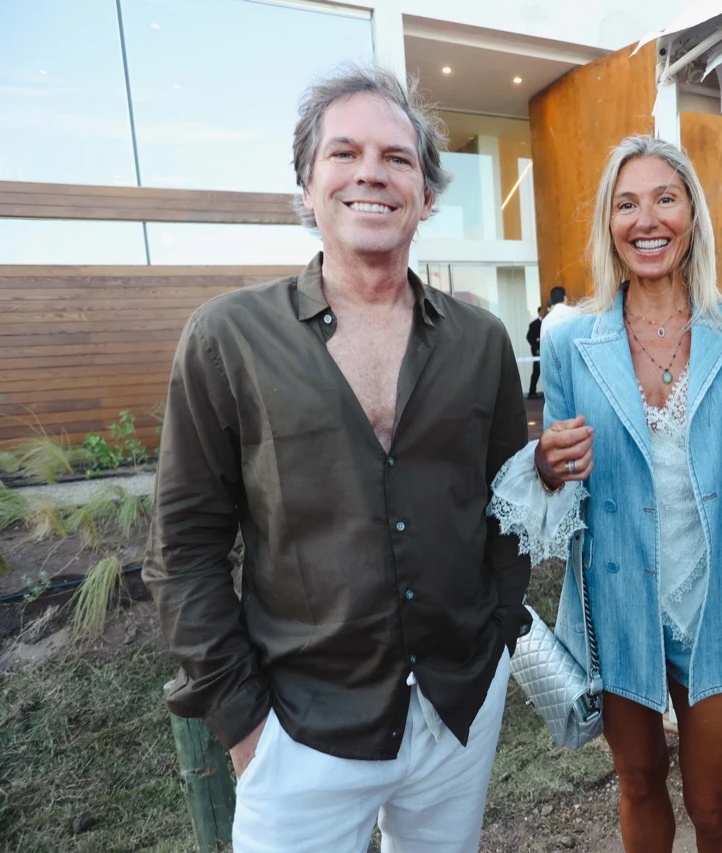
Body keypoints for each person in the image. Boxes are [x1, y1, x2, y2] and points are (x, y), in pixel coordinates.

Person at [143, 67, 530, 852]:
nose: (371, 173)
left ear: (425, 193)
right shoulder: (229, 338)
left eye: (397, 157)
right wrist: (245, 724)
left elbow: (508, 506)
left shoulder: (480, 340)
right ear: (307, 181)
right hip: (300, 733)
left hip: (457, 711)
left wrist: (494, 642)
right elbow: (184, 548)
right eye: (344, 152)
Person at [494, 135, 722, 852]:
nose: (646, 219)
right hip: (617, 596)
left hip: (718, 598)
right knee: (638, 781)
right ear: (609, 224)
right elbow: (556, 491)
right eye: (627, 203)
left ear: (691, 216)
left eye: (664, 198)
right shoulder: (569, 340)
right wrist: (551, 465)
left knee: (714, 804)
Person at [526, 305, 545, 398]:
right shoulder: (534, 324)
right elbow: (529, 337)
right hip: (537, 351)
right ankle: (532, 392)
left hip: (545, 351)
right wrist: (536, 348)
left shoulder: (547, 322)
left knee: (545, 371)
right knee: (536, 371)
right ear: (539, 312)